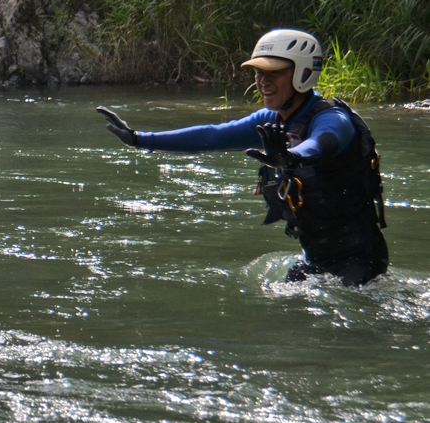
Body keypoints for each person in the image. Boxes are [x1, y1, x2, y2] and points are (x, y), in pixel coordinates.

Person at [97, 28, 388, 286]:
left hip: (359, 261)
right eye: (258, 72)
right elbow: (211, 136)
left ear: (302, 72)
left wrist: (290, 157)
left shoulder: (332, 118)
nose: (262, 80)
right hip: (314, 259)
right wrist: (139, 139)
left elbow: (322, 143)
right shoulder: (270, 121)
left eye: (273, 72)